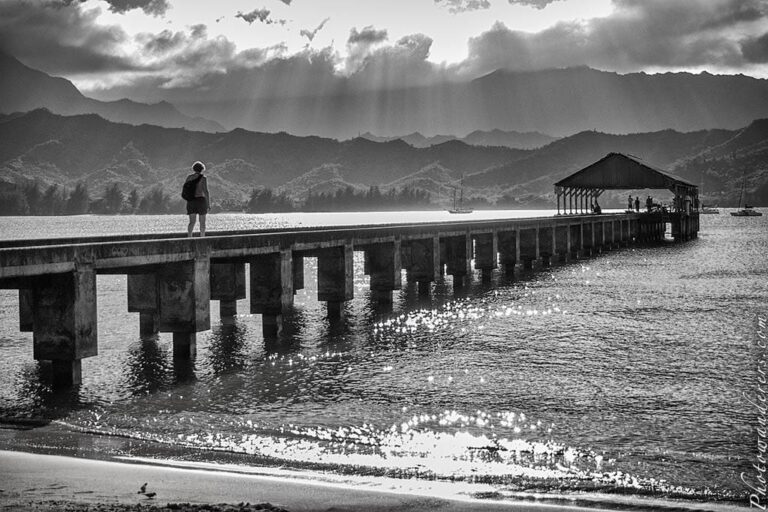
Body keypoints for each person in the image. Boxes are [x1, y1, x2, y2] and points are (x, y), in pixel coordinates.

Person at [185, 161, 210, 237]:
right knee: (202, 222)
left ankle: (189, 237)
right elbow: (205, 191)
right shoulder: (203, 178)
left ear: (194, 169)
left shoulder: (189, 178)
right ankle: (202, 237)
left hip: (191, 201)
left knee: (192, 222)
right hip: (200, 201)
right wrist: (208, 204)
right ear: (202, 169)